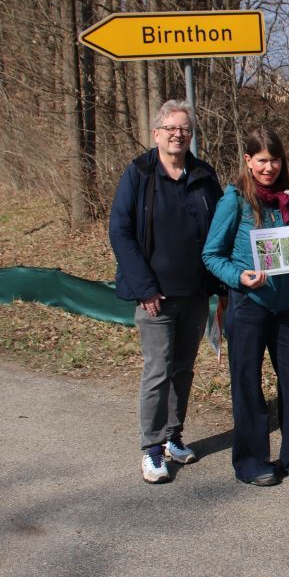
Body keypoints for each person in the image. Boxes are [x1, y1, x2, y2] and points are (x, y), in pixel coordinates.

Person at [109, 100, 223, 484]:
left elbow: (221, 228)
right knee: (158, 370)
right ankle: (152, 448)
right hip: (154, 296)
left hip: (196, 292)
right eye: (171, 128)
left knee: (183, 369)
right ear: (156, 133)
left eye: (184, 129)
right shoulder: (139, 174)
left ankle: (174, 436)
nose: (178, 135)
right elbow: (120, 231)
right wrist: (144, 287)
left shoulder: (204, 175)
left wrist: (222, 283)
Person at [202, 128, 289, 486]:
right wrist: (239, 278)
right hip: (248, 305)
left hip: (287, 305)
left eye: (275, 160)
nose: (269, 168)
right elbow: (211, 255)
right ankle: (251, 462)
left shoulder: (288, 200)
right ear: (248, 161)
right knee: (248, 384)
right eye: (262, 161)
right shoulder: (234, 200)